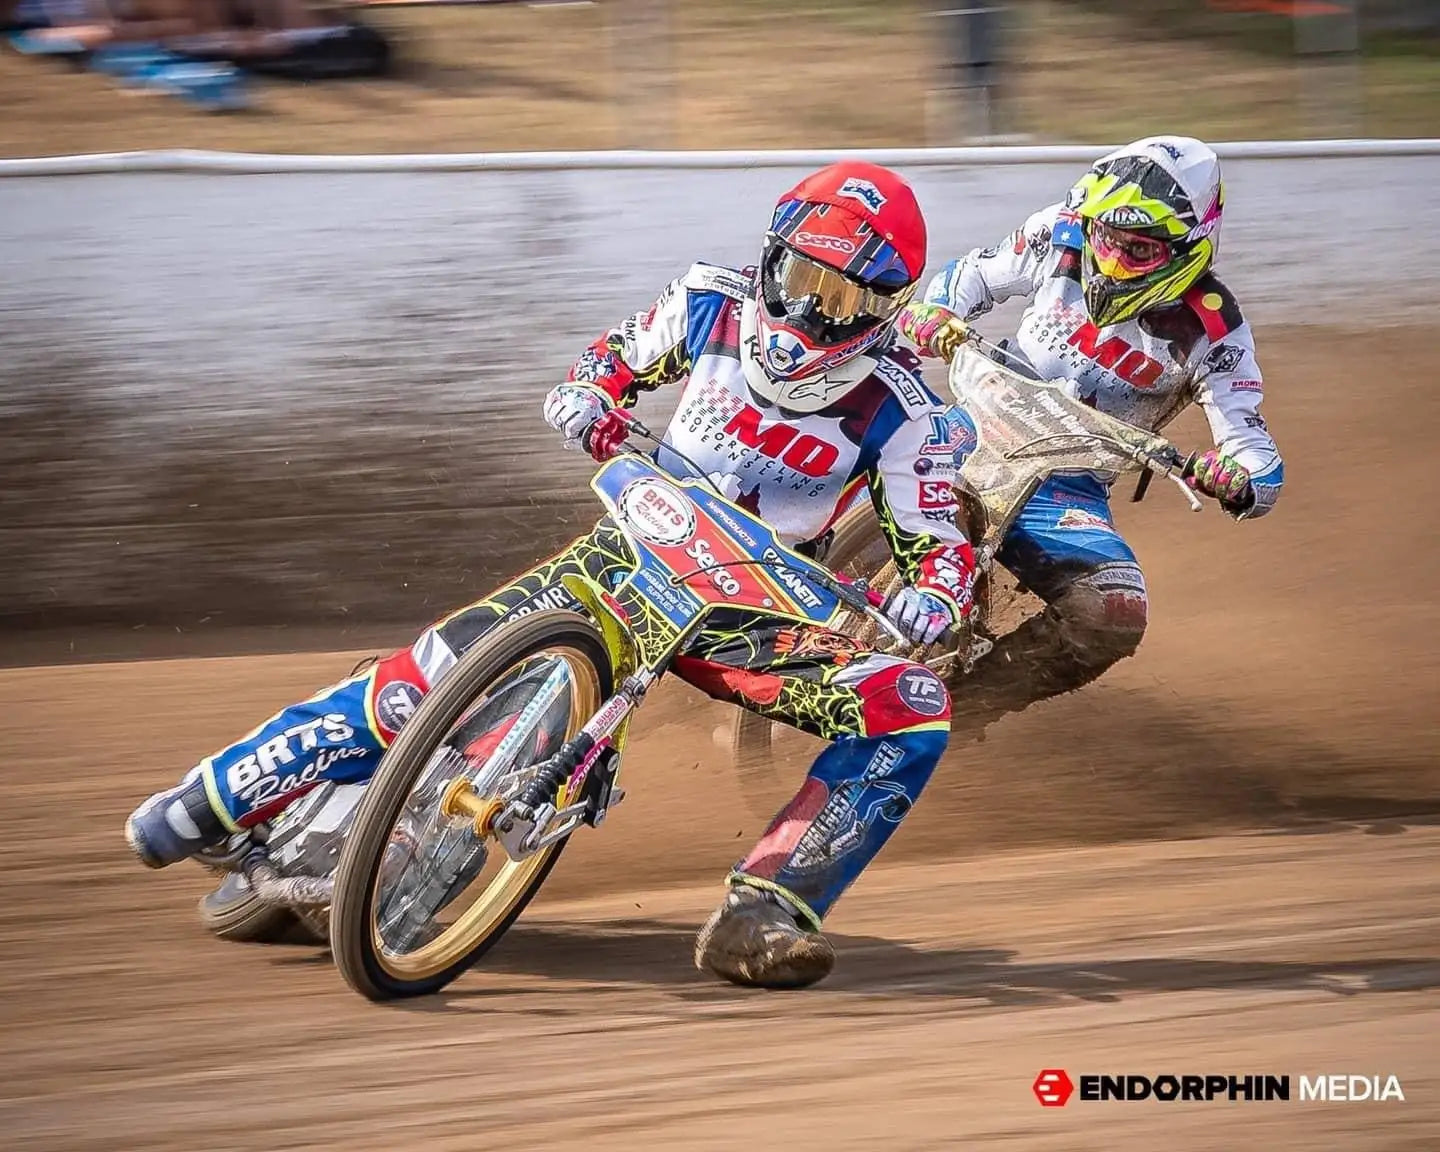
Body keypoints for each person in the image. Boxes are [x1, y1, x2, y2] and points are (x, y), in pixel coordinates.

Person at [126, 161, 979, 990]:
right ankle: (215, 796)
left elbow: (937, 539)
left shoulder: (907, 411)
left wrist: (936, 595)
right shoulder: (707, 301)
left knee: (913, 707)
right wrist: (588, 398)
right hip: (627, 558)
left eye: (843, 300)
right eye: (800, 276)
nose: (809, 311)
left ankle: (766, 911)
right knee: (430, 670)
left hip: (753, 620)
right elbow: (603, 363)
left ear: (887, 308)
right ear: (771, 254)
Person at [898, 135, 1283, 718]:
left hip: (1067, 487)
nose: (1112, 263)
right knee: (858, 440)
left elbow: (1253, 447)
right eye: (1106, 240)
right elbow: (971, 276)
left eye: (1139, 252)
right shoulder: (1061, 234)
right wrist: (939, 311)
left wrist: (1238, 476)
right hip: (973, 426)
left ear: (1192, 248)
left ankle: (967, 704)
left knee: (1115, 612)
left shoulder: (1214, 332)